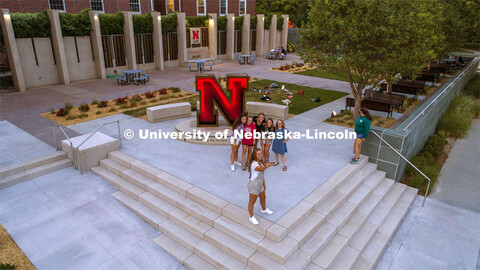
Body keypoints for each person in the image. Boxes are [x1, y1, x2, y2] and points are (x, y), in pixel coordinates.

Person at [247, 148, 274, 225]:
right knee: (252, 201)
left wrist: (264, 184)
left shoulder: (260, 162)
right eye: (258, 154)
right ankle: (251, 216)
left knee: (263, 197)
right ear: (255, 155)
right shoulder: (254, 163)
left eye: (261, 153)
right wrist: (268, 165)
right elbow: (260, 169)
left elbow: (262, 174)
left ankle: (264, 209)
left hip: (260, 183)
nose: (260, 155)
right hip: (254, 185)